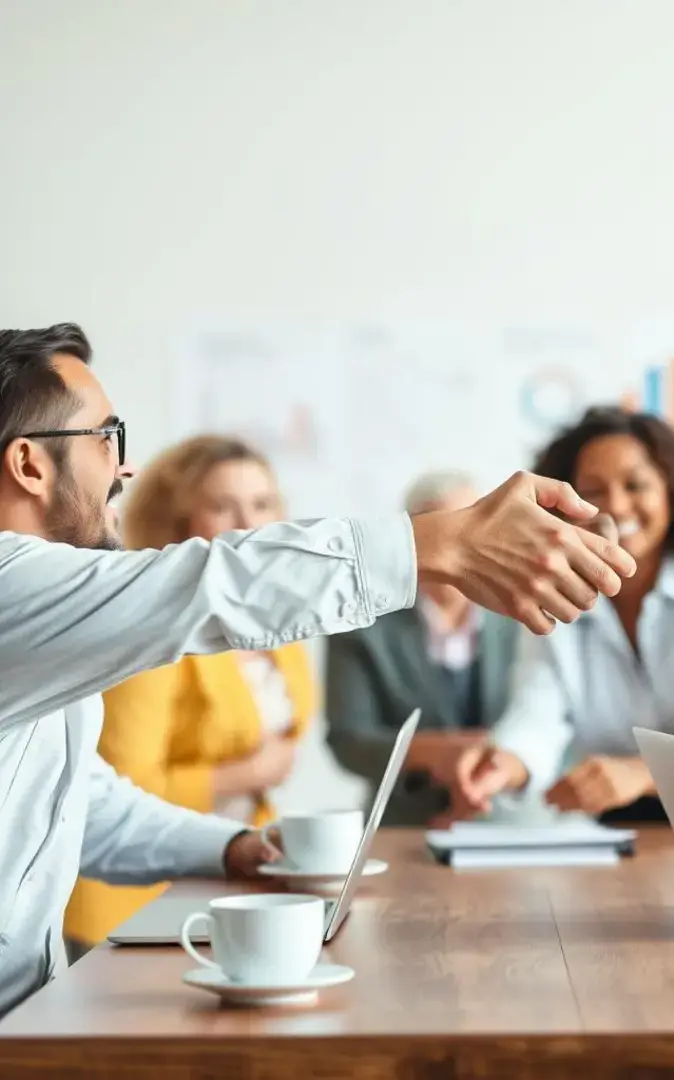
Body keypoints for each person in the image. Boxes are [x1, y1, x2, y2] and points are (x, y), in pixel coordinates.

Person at [0, 324, 635, 1016]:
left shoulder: (50, 631)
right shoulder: (12, 591)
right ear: (30, 464)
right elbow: (210, 583)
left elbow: (82, 808)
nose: (124, 466)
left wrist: (241, 846)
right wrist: (432, 546)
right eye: (106, 437)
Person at [454, 405, 674, 824]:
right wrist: (505, 762)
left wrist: (645, 772)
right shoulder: (552, 590)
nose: (615, 505)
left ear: (671, 490)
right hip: (627, 817)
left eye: (636, 485)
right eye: (593, 492)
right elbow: (539, 710)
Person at [63, 436, 318, 954]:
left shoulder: (277, 626)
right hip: (134, 903)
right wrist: (250, 773)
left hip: (226, 879)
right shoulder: (153, 634)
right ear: (180, 522)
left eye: (262, 504)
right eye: (223, 507)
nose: (248, 523)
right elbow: (121, 791)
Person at [324, 470, 519, 826]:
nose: (465, 545)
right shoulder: (360, 624)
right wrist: (433, 754)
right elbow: (349, 741)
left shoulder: (520, 615)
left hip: (508, 826)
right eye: (447, 529)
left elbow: (555, 721)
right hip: (405, 828)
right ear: (413, 537)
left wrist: (492, 768)